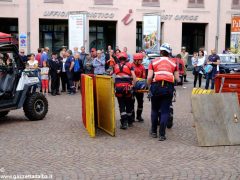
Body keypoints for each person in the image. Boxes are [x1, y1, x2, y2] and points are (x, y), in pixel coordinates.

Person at [147, 43, 179, 141]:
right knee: (165, 111)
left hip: (156, 87)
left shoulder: (153, 61)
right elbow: (177, 78)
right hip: (168, 87)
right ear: (169, 53)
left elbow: (149, 77)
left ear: (160, 52)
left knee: (154, 109)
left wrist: (149, 87)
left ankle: (153, 132)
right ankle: (162, 134)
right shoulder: (174, 63)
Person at [113, 52, 136, 129]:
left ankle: (124, 123)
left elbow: (113, 78)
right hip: (127, 88)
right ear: (126, 58)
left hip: (118, 89)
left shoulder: (115, 66)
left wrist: (114, 86)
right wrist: (133, 85)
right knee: (128, 104)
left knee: (121, 105)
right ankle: (129, 121)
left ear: (119, 58)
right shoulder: (130, 65)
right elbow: (134, 76)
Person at [131, 53, 146, 122]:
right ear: (136, 60)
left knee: (140, 102)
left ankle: (139, 116)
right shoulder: (131, 66)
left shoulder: (142, 67)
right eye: (140, 60)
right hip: (132, 87)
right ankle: (132, 117)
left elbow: (143, 77)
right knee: (131, 102)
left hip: (139, 87)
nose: (141, 61)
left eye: (141, 60)